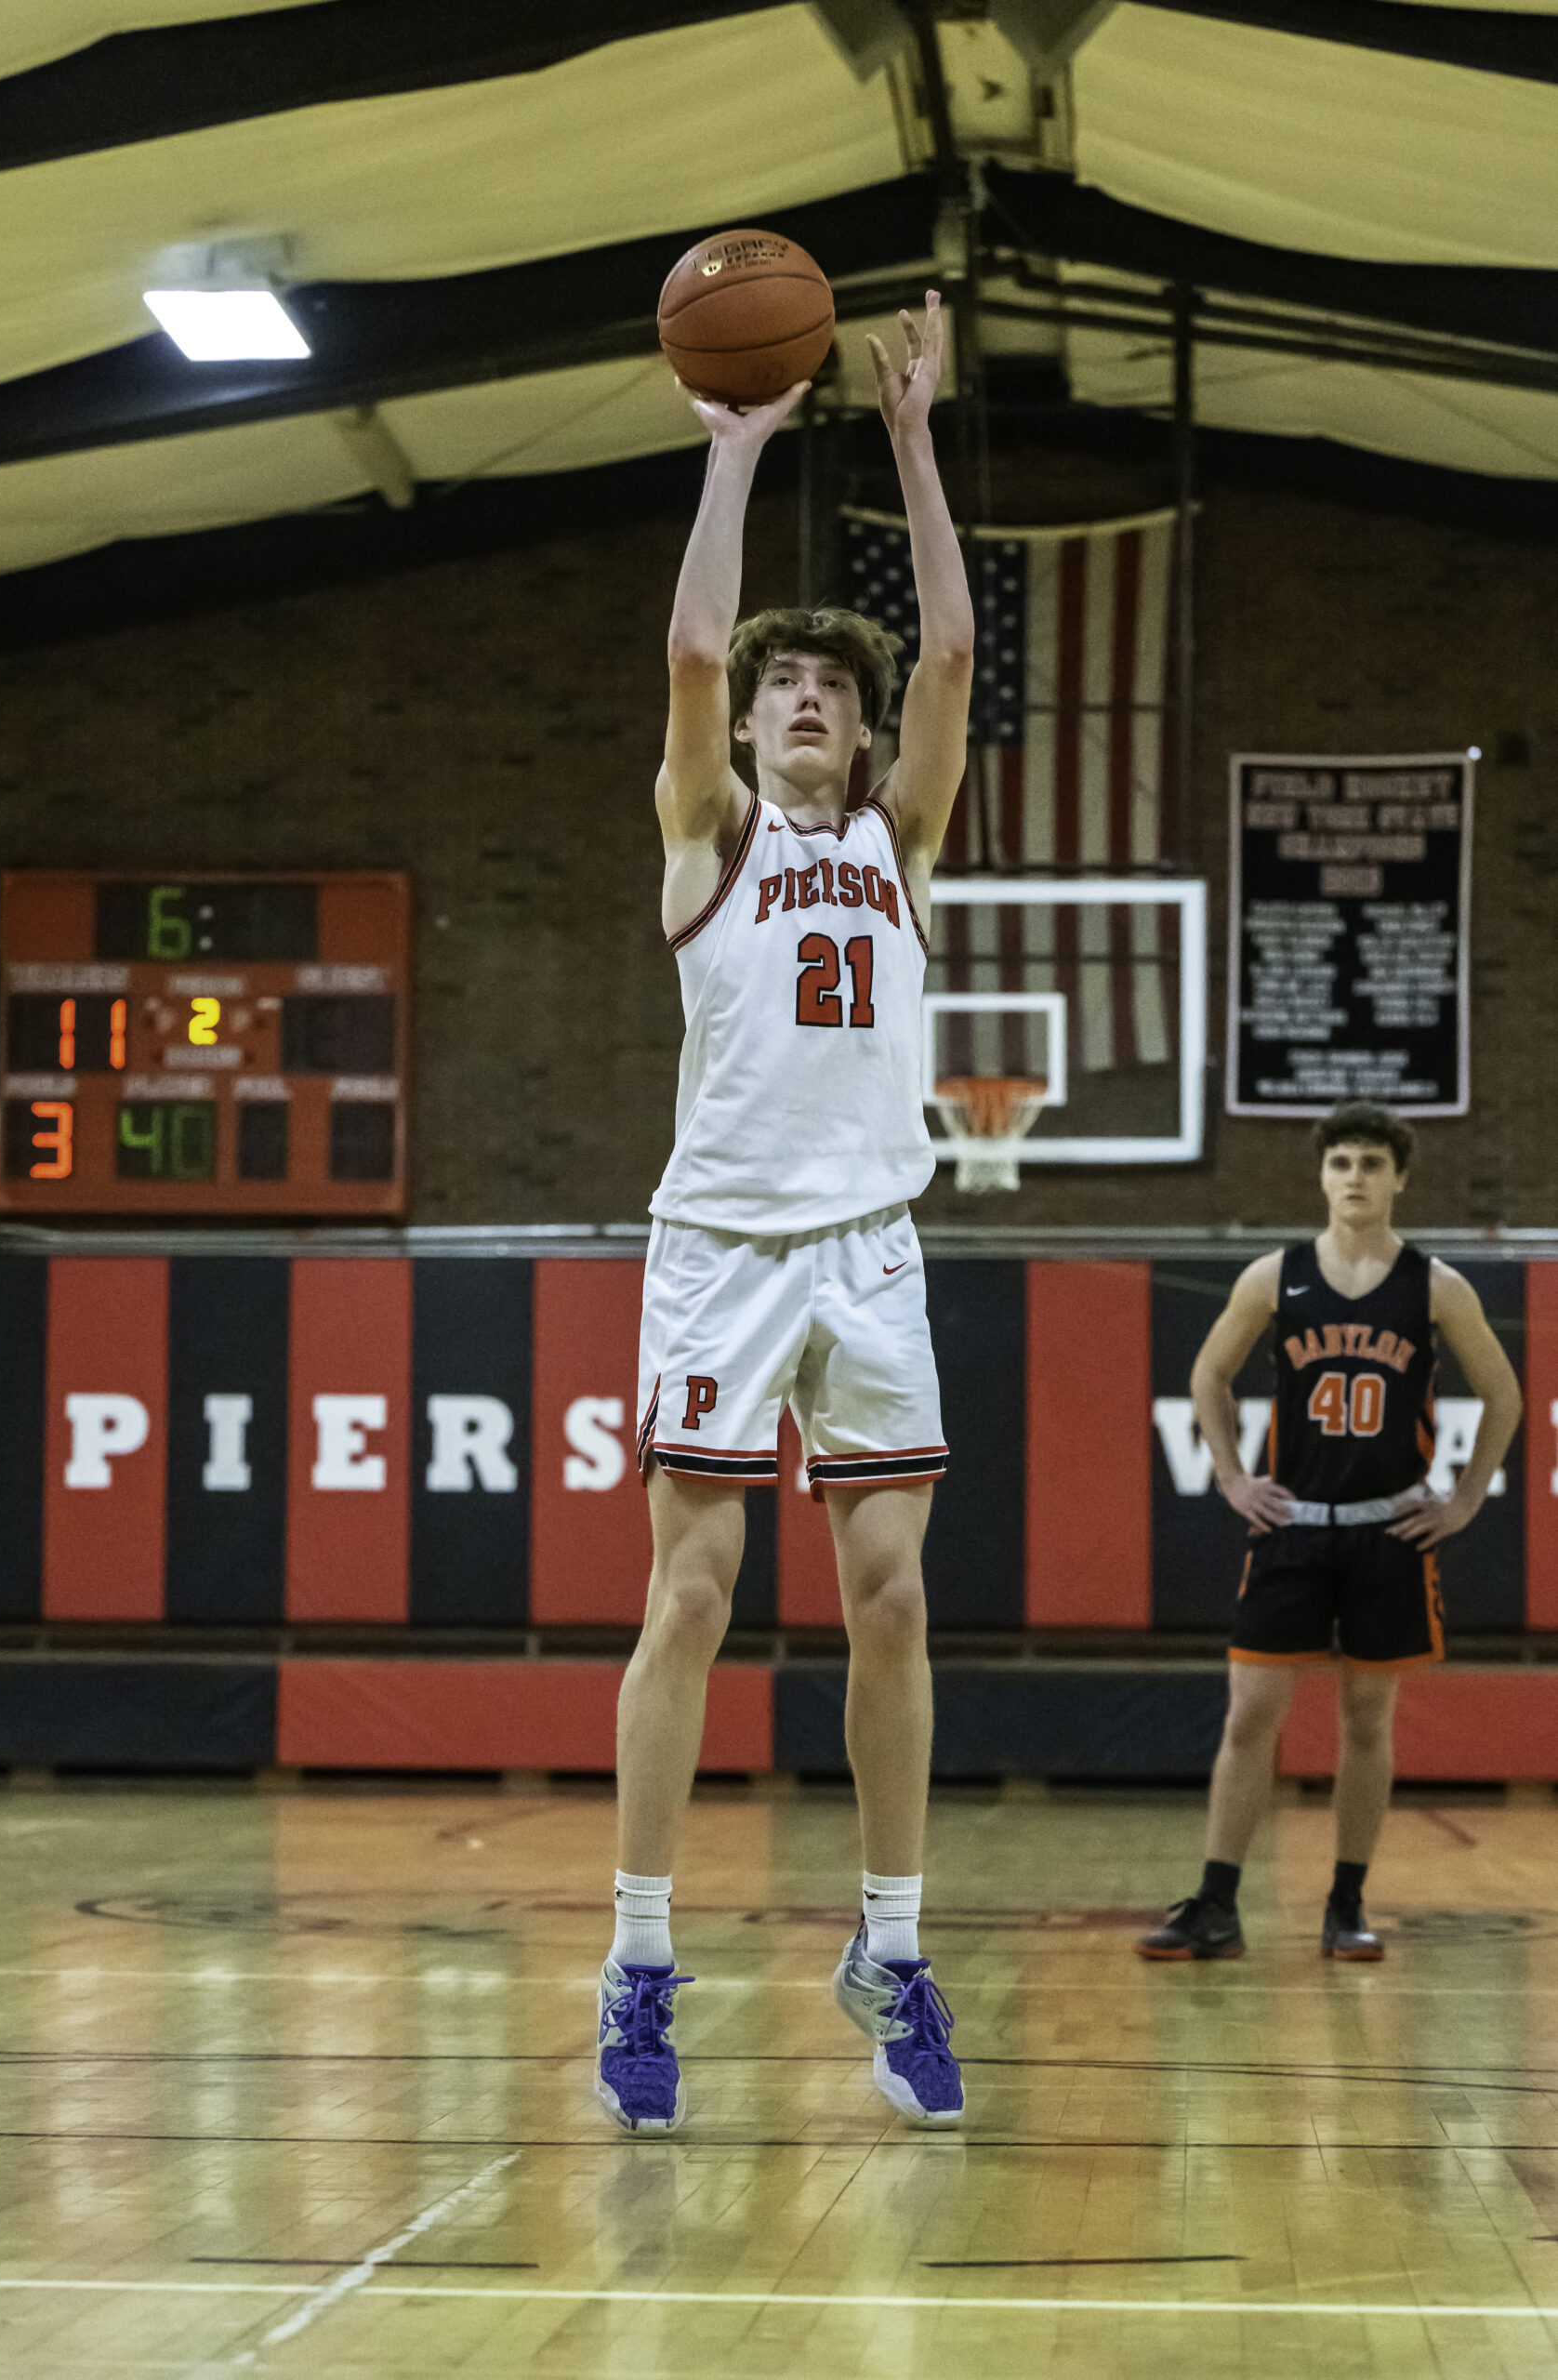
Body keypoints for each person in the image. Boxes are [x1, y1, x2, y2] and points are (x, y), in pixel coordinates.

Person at [594, 293, 973, 2134]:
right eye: (782, 688)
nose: (809, 698)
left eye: (832, 683)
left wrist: (908, 438)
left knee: (890, 1602)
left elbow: (959, 657)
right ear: (748, 729)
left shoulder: (896, 842)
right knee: (691, 1589)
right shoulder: (710, 837)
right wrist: (735, 439)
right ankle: (639, 1962)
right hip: (722, 1248)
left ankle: (890, 1949)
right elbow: (681, 646)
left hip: (875, 1241)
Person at [1138, 1102, 1522, 1964]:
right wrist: (1233, 1477)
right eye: (1341, 1161)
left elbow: (1505, 1396)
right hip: (1293, 1530)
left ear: (1399, 1178)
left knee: (1365, 1718)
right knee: (1250, 1717)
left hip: (1388, 1534)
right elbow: (1208, 1372)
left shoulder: (1435, 1285)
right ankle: (1215, 1903)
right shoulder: (1275, 1276)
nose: (1354, 1176)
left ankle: (1345, 1904)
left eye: (1370, 1163)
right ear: (1321, 1176)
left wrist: (1460, 1502)